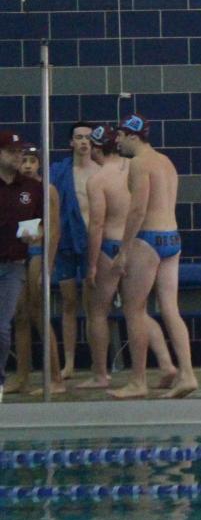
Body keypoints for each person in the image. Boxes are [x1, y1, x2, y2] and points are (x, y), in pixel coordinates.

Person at [109, 116, 197, 400]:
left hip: (148, 240)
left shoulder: (139, 164)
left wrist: (123, 251)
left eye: (119, 136)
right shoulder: (166, 162)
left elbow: (137, 210)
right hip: (172, 238)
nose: (116, 141)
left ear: (132, 136)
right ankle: (187, 374)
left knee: (134, 310)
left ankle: (138, 381)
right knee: (171, 308)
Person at [84, 125, 175, 391]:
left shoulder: (98, 180)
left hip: (110, 246)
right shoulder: (134, 166)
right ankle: (167, 363)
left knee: (98, 311)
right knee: (139, 310)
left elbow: (97, 225)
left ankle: (101, 374)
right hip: (137, 242)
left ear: (96, 148)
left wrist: (91, 264)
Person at [49, 121, 98, 379]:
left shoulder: (100, 172)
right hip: (66, 242)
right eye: (78, 137)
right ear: (71, 142)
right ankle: (68, 363)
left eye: (88, 138)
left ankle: (96, 363)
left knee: (93, 306)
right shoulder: (59, 172)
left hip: (92, 243)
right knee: (69, 303)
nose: (83, 142)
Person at [14, 145, 63, 394]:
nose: (28, 165)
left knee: (38, 313)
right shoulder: (12, 189)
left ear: (39, 164)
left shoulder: (47, 190)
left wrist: (48, 263)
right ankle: (22, 377)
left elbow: (54, 230)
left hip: (37, 254)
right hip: (16, 255)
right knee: (20, 316)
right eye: (24, 160)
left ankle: (55, 378)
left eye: (33, 160)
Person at [0, 132, 45, 395]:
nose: (18, 157)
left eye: (20, 153)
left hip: (13, 265)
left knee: (2, 326)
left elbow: (40, 226)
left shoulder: (32, 189)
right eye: (11, 152)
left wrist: (35, 236)